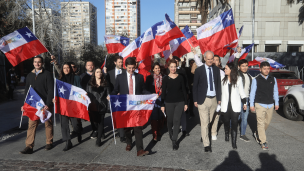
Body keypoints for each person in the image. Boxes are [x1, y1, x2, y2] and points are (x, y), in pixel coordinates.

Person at [111, 57, 150, 157]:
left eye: (133, 68)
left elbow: (143, 91)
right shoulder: (120, 77)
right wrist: (111, 95)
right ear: (125, 66)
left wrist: (151, 95)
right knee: (127, 127)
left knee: (138, 127)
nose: (131, 70)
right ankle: (129, 142)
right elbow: (115, 90)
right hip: (125, 107)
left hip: (136, 107)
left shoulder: (140, 77)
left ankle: (140, 149)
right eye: (129, 68)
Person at [20, 56, 54, 154]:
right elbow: (27, 91)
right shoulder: (29, 75)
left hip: (45, 104)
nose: (37, 64)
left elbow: (51, 90)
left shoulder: (47, 74)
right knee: (32, 125)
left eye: (39, 62)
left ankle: (49, 142)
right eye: (35, 62)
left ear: (42, 63)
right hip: (33, 105)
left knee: (48, 124)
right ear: (33, 63)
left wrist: (48, 103)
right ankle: (29, 146)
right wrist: (25, 104)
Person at [192, 48, 224, 141]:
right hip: (203, 99)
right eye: (208, 59)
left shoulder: (216, 70)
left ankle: (204, 133)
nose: (210, 61)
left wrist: (219, 98)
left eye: (212, 59)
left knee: (209, 120)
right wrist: (195, 100)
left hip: (214, 99)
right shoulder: (199, 70)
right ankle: (206, 143)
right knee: (204, 122)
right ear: (204, 58)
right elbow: (195, 87)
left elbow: (218, 85)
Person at [250, 61, 279, 150]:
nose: (266, 70)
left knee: (267, 122)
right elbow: (252, 93)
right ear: (260, 69)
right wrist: (251, 105)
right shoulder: (256, 79)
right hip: (259, 104)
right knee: (260, 123)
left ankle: (258, 133)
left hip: (270, 104)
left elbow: (275, 92)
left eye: (268, 69)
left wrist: (276, 103)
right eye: (264, 69)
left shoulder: (273, 79)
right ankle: (263, 142)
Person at [161, 59, 188, 150]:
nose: (173, 68)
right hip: (169, 103)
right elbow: (163, 93)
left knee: (177, 120)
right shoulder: (165, 79)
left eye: (174, 66)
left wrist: (186, 103)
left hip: (180, 102)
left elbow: (184, 91)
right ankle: (170, 132)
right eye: (171, 67)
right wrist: (162, 104)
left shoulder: (180, 77)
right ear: (168, 67)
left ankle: (174, 140)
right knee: (170, 121)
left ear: (177, 67)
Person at [55, 62, 82, 151]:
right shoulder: (59, 79)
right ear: (62, 70)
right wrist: (54, 98)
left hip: (73, 104)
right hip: (63, 105)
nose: (66, 69)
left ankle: (78, 133)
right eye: (64, 68)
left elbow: (80, 89)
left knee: (75, 124)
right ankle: (68, 142)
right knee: (64, 124)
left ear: (70, 69)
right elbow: (56, 91)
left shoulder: (76, 78)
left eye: (68, 68)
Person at [221, 63, 247, 149]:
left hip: (235, 106)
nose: (224, 70)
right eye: (225, 69)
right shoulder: (223, 79)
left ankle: (234, 142)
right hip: (225, 105)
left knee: (235, 124)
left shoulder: (238, 79)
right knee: (226, 122)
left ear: (231, 70)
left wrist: (245, 103)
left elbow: (242, 92)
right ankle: (226, 134)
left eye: (226, 68)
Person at [105, 55, 126, 143]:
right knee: (116, 115)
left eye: (122, 62)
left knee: (122, 115)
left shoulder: (125, 72)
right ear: (115, 63)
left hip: (123, 96)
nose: (121, 64)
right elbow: (108, 85)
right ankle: (119, 130)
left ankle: (122, 135)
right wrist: (110, 94)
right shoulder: (109, 73)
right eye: (119, 62)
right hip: (113, 97)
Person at [86, 68, 110, 147]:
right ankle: (101, 132)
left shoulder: (105, 83)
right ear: (94, 74)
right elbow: (87, 93)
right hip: (93, 105)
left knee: (101, 122)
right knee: (95, 122)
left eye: (100, 72)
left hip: (102, 105)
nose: (99, 73)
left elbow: (108, 93)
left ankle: (98, 139)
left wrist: (109, 96)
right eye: (97, 72)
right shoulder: (90, 84)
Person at [167, 56, 190, 137]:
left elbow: (186, 83)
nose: (175, 62)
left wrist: (187, 93)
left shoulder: (182, 71)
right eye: (174, 61)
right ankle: (173, 129)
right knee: (173, 116)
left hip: (181, 95)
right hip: (171, 98)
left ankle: (184, 129)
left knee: (183, 113)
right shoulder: (169, 71)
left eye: (176, 61)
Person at [146, 62, 165, 142]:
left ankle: (159, 129)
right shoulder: (149, 78)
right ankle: (155, 134)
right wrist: (151, 94)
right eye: (156, 68)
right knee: (154, 116)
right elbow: (145, 89)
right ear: (153, 69)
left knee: (160, 115)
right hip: (153, 99)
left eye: (158, 68)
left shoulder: (164, 77)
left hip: (161, 98)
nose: (158, 69)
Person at [80, 60, 96, 138]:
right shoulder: (82, 76)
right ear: (86, 67)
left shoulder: (98, 74)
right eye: (88, 65)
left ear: (94, 66)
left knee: (97, 115)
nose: (90, 66)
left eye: (91, 65)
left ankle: (98, 131)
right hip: (87, 99)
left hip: (97, 98)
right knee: (91, 115)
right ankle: (95, 129)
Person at [238, 59, 252, 142]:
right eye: (243, 66)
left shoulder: (249, 76)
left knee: (245, 117)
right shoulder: (237, 75)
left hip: (246, 98)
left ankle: (242, 134)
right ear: (239, 67)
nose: (245, 67)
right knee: (237, 116)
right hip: (238, 98)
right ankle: (230, 127)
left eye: (246, 65)